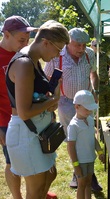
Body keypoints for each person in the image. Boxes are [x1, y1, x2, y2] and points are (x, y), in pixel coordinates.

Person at [5, 20, 69, 199]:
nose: (57, 55)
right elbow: (24, 111)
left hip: (35, 131)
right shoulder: (25, 63)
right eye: (58, 49)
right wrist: (53, 100)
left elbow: (33, 98)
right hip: (25, 134)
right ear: (46, 42)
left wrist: (48, 101)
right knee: (36, 188)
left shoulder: (33, 60)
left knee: (49, 175)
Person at [44, 27, 102, 192]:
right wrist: (51, 98)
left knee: (89, 133)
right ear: (68, 42)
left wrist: (95, 91)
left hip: (86, 101)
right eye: (78, 45)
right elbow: (47, 78)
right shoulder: (57, 55)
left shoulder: (89, 54)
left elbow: (94, 74)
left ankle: (87, 176)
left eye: (84, 45)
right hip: (66, 102)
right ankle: (79, 174)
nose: (81, 49)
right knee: (74, 139)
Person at [0, 15, 37, 199]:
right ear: (6, 34)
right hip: (6, 121)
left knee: (29, 157)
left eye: (27, 40)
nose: (25, 44)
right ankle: (17, 197)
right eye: (21, 40)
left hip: (29, 116)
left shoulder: (23, 54)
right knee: (11, 161)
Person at [67, 90, 105, 199]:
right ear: (77, 106)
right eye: (87, 109)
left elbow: (92, 138)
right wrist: (76, 165)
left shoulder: (90, 119)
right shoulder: (73, 126)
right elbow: (70, 147)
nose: (89, 111)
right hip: (80, 161)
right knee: (81, 184)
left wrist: (100, 151)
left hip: (90, 159)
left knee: (88, 183)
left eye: (91, 109)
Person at [90, 39, 110, 117]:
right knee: (101, 108)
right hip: (97, 85)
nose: (98, 47)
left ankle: (101, 120)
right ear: (91, 46)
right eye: (95, 46)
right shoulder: (89, 56)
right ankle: (99, 125)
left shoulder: (103, 55)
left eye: (99, 46)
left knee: (109, 104)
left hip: (106, 84)